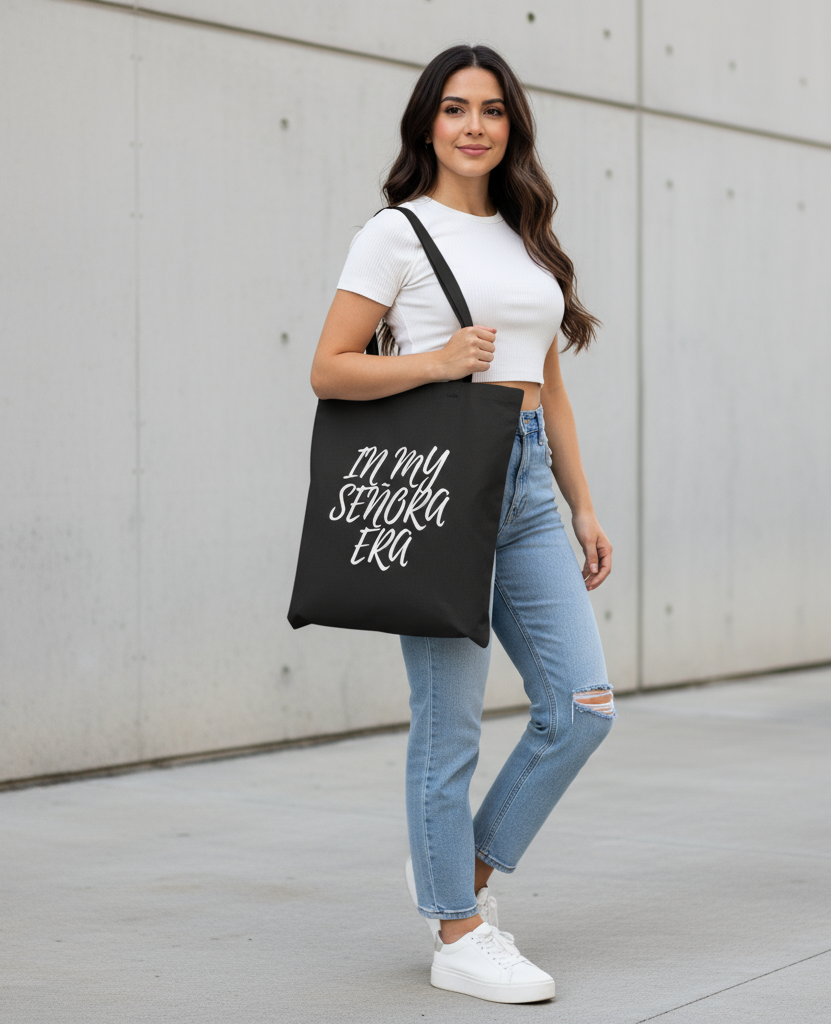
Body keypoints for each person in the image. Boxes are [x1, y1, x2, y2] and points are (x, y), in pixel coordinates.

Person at [309, 43, 615, 1004]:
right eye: (454, 109)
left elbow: (549, 381)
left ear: (512, 125)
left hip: (525, 483)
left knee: (583, 710)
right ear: (427, 124)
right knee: (449, 729)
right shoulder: (394, 233)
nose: (474, 125)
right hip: (444, 484)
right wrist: (438, 363)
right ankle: (457, 934)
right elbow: (331, 366)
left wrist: (581, 501)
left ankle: (458, 874)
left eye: (491, 109)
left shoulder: (528, 236)